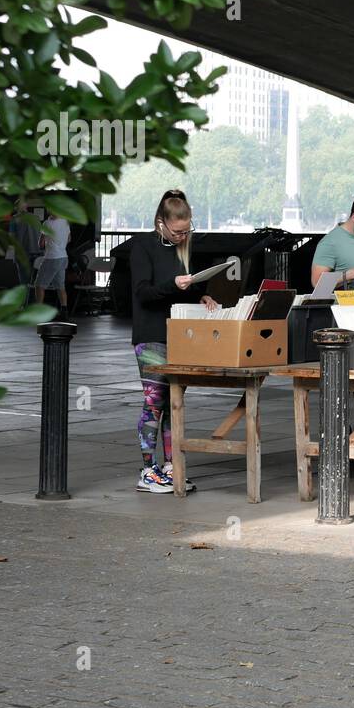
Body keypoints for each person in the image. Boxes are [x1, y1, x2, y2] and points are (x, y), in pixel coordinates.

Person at [129, 189, 219, 493]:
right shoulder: (143, 247)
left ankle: (171, 465)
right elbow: (144, 293)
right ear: (161, 223)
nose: (183, 236)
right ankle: (147, 470)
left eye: (187, 230)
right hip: (151, 334)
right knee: (154, 402)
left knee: (173, 400)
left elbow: (182, 290)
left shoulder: (186, 247)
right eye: (178, 231)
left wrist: (200, 293)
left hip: (179, 336)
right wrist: (173, 284)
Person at [33, 211, 70, 312]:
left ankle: (38, 312)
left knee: (39, 285)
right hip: (63, 257)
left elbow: (40, 244)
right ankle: (64, 312)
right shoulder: (65, 222)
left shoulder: (47, 223)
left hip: (51, 257)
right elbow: (69, 239)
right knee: (60, 287)